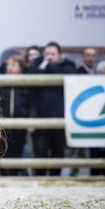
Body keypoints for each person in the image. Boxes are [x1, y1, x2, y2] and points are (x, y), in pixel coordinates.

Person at [26, 42, 77, 176]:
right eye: (47, 54)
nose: (49, 57)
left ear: (60, 55)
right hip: (39, 119)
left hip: (60, 119)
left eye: (53, 54)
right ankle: (40, 180)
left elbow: (70, 74)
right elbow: (30, 74)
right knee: (39, 150)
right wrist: (43, 65)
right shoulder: (37, 64)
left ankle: (55, 179)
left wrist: (47, 67)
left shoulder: (68, 65)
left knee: (58, 151)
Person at [0, 55, 30, 176]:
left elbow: (30, 103)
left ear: (21, 68)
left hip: (20, 124)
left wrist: (29, 120)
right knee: (1, 150)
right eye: (9, 65)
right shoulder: (1, 82)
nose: (10, 68)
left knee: (17, 149)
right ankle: (2, 175)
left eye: (14, 65)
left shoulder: (26, 83)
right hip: (2, 123)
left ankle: (14, 175)